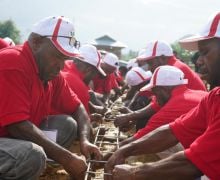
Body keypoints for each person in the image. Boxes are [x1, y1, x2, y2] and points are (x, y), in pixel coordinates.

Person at [105, 11, 220, 180]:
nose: (199, 61)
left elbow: (192, 163)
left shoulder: (178, 88)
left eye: (205, 52)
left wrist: (134, 172)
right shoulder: (214, 96)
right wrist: (125, 149)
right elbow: (174, 131)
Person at [0, 16, 101, 180]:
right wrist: (67, 159)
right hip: (9, 135)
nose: (61, 66)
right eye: (57, 56)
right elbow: (17, 126)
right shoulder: (12, 63)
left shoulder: (51, 73)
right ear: (36, 42)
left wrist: (84, 141)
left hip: (10, 137)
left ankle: (38, 164)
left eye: (65, 59)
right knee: (31, 155)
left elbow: (78, 107)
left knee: (67, 124)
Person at [114, 40, 207, 134]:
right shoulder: (172, 68)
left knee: (147, 128)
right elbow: (157, 103)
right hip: (193, 115)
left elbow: (159, 105)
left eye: (150, 63)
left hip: (197, 120)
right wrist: (132, 116)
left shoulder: (174, 70)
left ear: (162, 58)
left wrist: (133, 118)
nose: (149, 68)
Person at [114, 65, 207, 158]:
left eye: (155, 92)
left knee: (154, 141)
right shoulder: (193, 94)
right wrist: (130, 116)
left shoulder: (174, 106)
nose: (154, 97)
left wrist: (106, 157)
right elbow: (156, 104)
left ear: (164, 89)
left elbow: (140, 139)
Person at [60, 44, 106, 114]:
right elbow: (85, 119)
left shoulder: (64, 65)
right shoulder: (79, 85)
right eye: (94, 74)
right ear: (88, 70)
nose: (93, 78)